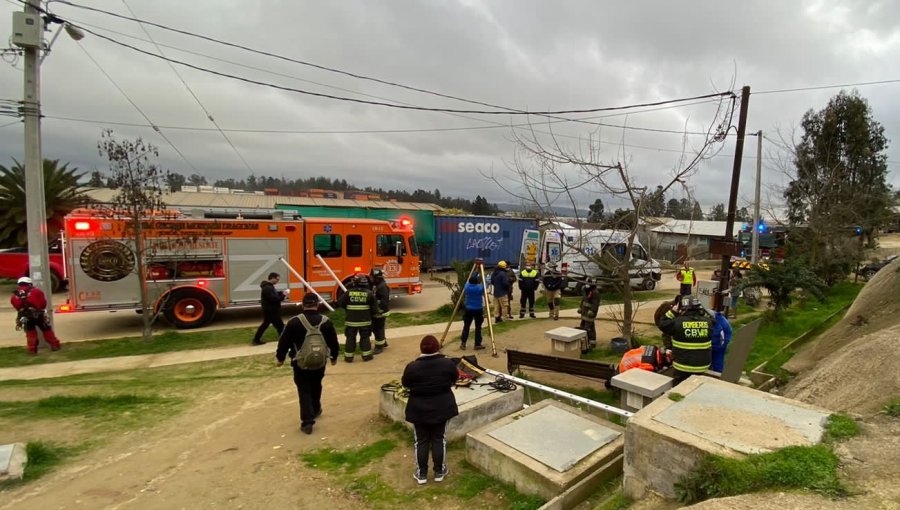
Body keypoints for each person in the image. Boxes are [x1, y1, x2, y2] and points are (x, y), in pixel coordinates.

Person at [276, 293, 340, 435]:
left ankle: (307, 423)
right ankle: (316, 408)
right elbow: (333, 342)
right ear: (317, 304)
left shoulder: (294, 322)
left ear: (303, 304)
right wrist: (334, 357)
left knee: (304, 390)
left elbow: (284, 342)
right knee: (317, 384)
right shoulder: (326, 321)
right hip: (319, 362)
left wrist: (280, 358)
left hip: (300, 363)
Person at [401, 335, 459, 485]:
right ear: (437, 348)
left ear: (421, 349)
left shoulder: (412, 367)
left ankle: (422, 474)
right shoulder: (447, 363)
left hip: (418, 409)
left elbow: (405, 383)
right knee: (439, 439)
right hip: (442, 407)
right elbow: (455, 378)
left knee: (421, 441)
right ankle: (439, 471)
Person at [658, 295, 712, 385]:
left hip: (682, 367)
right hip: (702, 366)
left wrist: (673, 311)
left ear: (682, 308)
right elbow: (712, 319)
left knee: (679, 388)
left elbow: (662, 324)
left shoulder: (677, 323)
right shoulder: (708, 322)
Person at [11, 277, 61, 354]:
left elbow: (16, 306)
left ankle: (32, 349)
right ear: (30, 283)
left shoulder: (14, 296)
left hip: (24, 316)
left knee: (30, 332)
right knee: (46, 329)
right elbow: (43, 303)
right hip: (38, 314)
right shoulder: (36, 291)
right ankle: (54, 345)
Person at [338, 273, 378, 362]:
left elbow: (341, 304)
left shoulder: (348, 293)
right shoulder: (369, 294)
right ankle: (367, 356)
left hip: (351, 321)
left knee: (350, 338)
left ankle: (348, 357)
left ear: (354, 283)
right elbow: (374, 309)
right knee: (365, 338)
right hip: (365, 321)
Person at [252, 272, 288, 345]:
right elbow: (274, 299)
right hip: (271, 310)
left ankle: (256, 339)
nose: (278, 281)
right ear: (272, 278)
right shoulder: (267, 288)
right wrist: (283, 295)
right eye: (277, 279)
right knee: (279, 325)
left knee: (268, 325)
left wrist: (280, 293)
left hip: (270, 310)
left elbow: (274, 294)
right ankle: (284, 340)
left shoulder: (269, 286)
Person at [460, 274, 486, 350]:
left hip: (468, 309)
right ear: (477, 282)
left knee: (466, 326)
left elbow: (467, 281)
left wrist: (475, 272)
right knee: (478, 327)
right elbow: (485, 284)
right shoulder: (480, 288)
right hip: (478, 309)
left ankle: (463, 343)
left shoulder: (467, 287)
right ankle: (477, 344)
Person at [370, 268, 391, 354]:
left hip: (380, 312)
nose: (370, 278)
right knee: (379, 328)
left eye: (371, 277)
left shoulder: (382, 287)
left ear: (376, 278)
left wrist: (379, 311)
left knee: (377, 329)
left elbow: (384, 301)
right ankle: (383, 342)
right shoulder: (379, 285)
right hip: (378, 311)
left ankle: (379, 347)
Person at [577, 279, 601, 352]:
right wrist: (580, 307)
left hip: (590, 313)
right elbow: (583, 300)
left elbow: (595, 304)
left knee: (589, 328)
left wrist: (592, 311)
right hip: (584, 312)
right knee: (583, 326)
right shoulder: (586, 290)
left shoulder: (595, 293)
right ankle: (587, 341)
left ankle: (591, 343)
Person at [708, 307, 733, 373]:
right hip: (709, 346)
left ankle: (718, 375)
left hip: (719, 346)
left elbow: (728, 334)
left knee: (718, 365)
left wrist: (722, 346)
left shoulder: (722, 323)